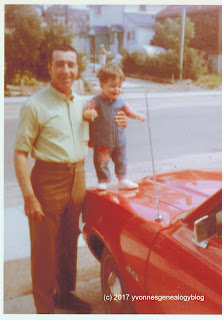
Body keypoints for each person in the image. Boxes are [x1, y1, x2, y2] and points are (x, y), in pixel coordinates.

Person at [13, 44, 128, 314]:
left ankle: (65, 294)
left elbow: (97, 142)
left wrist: (119, 123)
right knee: (45, 249)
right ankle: (45, 307)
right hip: (48, 179)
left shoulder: (84, 104)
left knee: (68, 243)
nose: (66, 70)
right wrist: (29, 196)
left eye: (71, 65)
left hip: (77, 175)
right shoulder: (35, 105)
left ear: (78, 69)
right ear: (50, 68)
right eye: (60, 64)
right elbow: (19, 154)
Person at [83, 63, 146, 191]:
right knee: (101, 161)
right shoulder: (96, 101)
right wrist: (89, 113)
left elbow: (129, 111)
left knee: (121, 159)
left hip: (119, 140)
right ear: (101, 85)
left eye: (119, 86)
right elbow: (86, 111)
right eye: (112, 86)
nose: (116, 89)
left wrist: (138, 115)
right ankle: (103, 180)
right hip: (102, 141)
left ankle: (122, 179)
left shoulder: (121, 101)